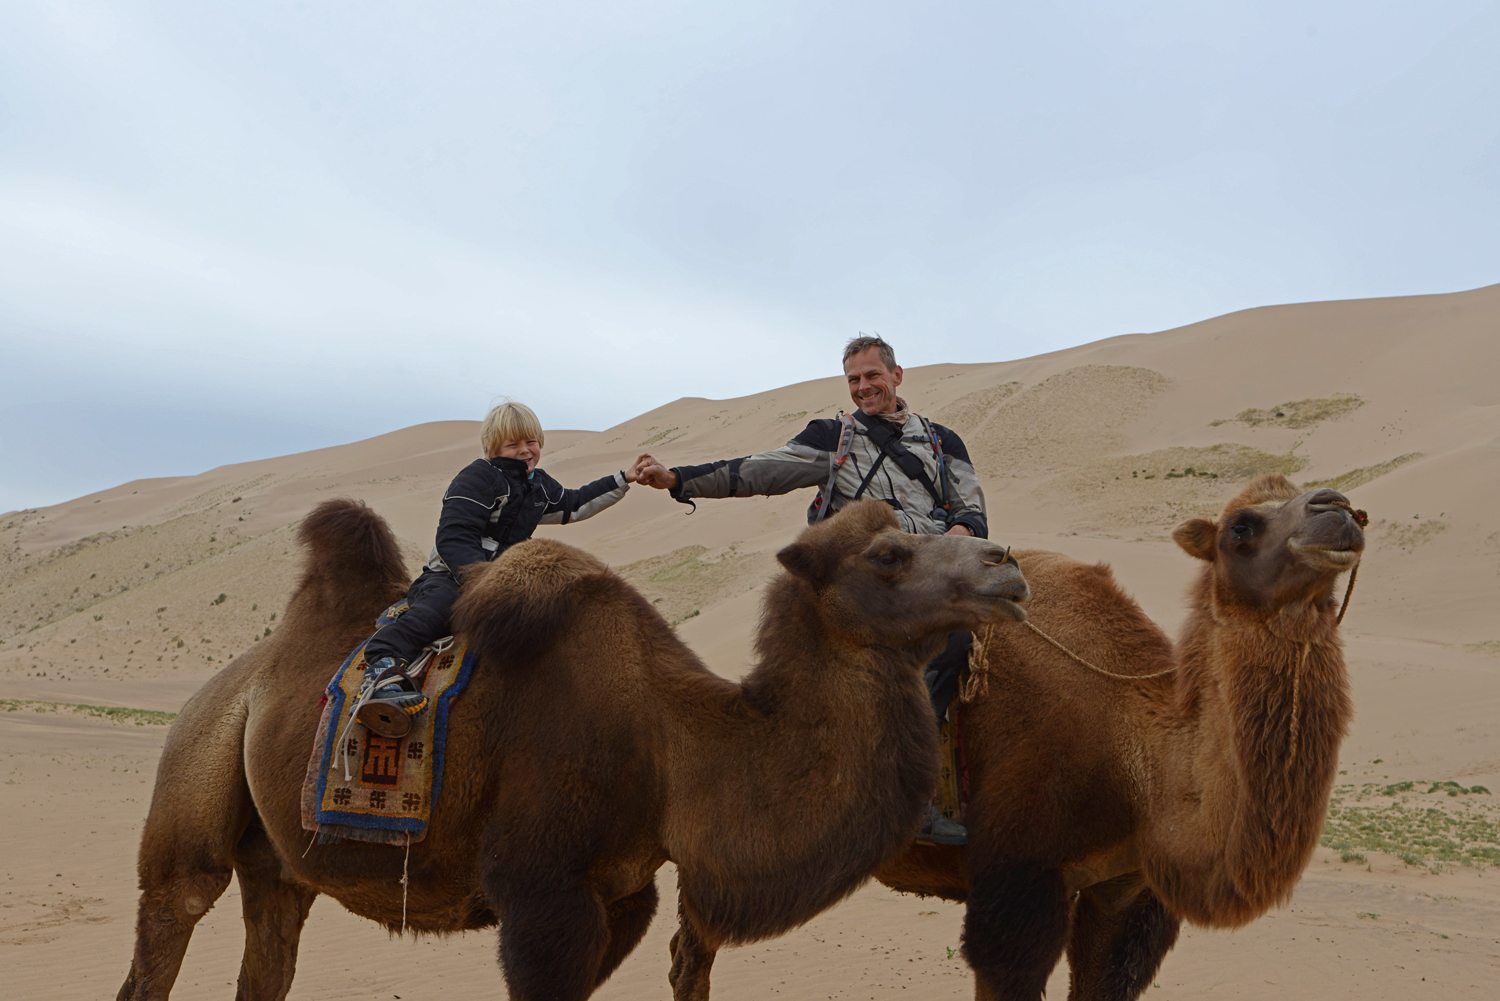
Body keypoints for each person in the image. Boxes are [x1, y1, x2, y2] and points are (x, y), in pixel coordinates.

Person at [636, 335, 988, 845]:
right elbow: (760, 471)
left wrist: (957, 535)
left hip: (934, 572)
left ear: (897, 375)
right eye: (854, 380)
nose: (864, 388)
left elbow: (971, 508)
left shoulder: (941, 442)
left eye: (872, 376)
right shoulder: (835, 439)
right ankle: (911, 798)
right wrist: (678, 480)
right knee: (944, 646)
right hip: (872, 589)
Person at [358, 400, 652, 738]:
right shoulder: (477, 478)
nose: (525, 451)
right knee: (437, 611)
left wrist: (624, 478)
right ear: (494, 447)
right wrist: (482, 582)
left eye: (531, 442)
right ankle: (382, 664)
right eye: (513, 444)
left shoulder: (537, 486)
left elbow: (573, 504)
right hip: (453, 575)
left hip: (505, 580)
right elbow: (454, 537)